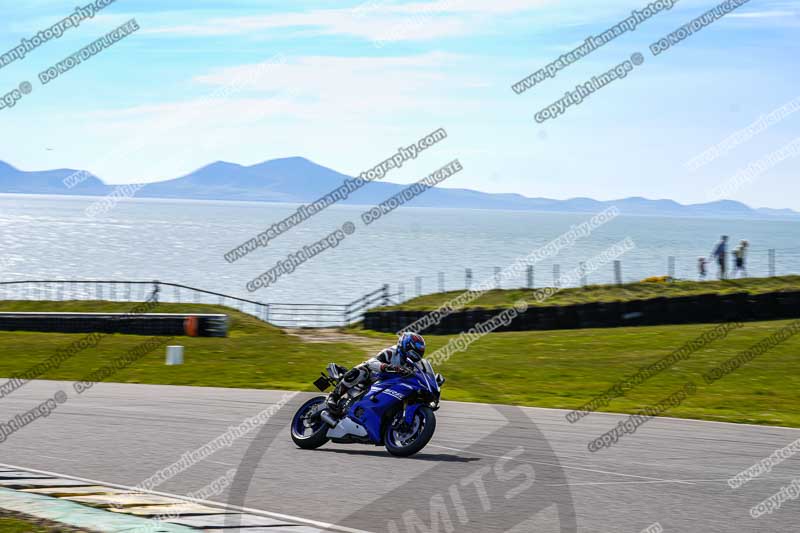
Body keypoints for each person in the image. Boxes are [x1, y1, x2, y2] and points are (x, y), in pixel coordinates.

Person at [326, 332, 426, 415]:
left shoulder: (414, 364)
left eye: (419, 353)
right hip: (373, 379)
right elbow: (371, 362)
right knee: (362, 370)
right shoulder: (391, 352)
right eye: (414, 352)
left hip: (390, 386)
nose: (416, 356)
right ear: (406, 346)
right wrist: (386, 367)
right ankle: (333, 397)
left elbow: (420, 374)